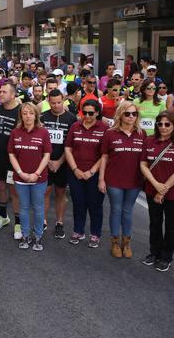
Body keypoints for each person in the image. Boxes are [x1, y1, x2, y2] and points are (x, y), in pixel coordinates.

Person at [139, 112, 174, 272]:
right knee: (154, 223)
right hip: (151, 189)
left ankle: (166, 256)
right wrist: (156, 185)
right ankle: (154, 252)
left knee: (171, 226)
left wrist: (163, 188)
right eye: (160, 124)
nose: (163, 127)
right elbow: (143, 165)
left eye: (167, 124)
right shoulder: (149, 140)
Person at [99, 101, 145, 259]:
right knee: (116, 210)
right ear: (120, 114)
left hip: (134, 181)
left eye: (134, 114)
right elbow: (104, 157)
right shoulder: (110, 133)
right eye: (127, 113)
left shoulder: (142, 134)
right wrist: (101, 179)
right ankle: (115, 242)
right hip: (114, 180)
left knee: (127, 211)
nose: (131, 117)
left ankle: (127, 242)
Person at [64, 100, 108, 247]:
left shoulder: (104, 128)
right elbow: (68, 149)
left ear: (97, 113)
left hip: (94, 173)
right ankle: (78, 231)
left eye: (91, 113)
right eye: (85, 113)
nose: (87, 116)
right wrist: (75, 169)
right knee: (78, 203)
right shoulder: (75, 126)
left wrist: (91, 171)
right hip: (75, 172)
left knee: (95, 204)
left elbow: (105, 154)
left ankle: (95, 234)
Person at [8, 103, 52, 251]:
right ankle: (25, 235)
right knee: (24, 207)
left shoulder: (43, 132)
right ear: (21, 115)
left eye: (31, 113)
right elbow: (11, 154)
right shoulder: (15, 132)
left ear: (36, 115)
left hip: (39, 178)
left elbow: (47, 155)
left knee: (39, 208)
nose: (28, 116)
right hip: (21, 178)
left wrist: (36, 173)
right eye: (25, 113)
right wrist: (20, 173)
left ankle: (38, 237)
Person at [41, 89, 77, 238]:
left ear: (63, 100)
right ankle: (42, 221)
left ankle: (59, 222)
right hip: (46, 161)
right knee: (46, 192)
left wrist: (59, 162)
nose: (56, 105)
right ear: (48, 102)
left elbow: (72, 144)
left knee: (60, 193)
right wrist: (48, 161)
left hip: (63, 162)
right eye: (53, 103)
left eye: (59, 102)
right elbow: (40, 142)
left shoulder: (71, 118)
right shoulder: (43, 117)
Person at [0, 81, 22, 239]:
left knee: (14, 190)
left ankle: (18, 222)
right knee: (0, 186)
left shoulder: (21, 111)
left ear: (13, 94)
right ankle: (3, 216)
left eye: (3, 92)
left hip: (14, 159)